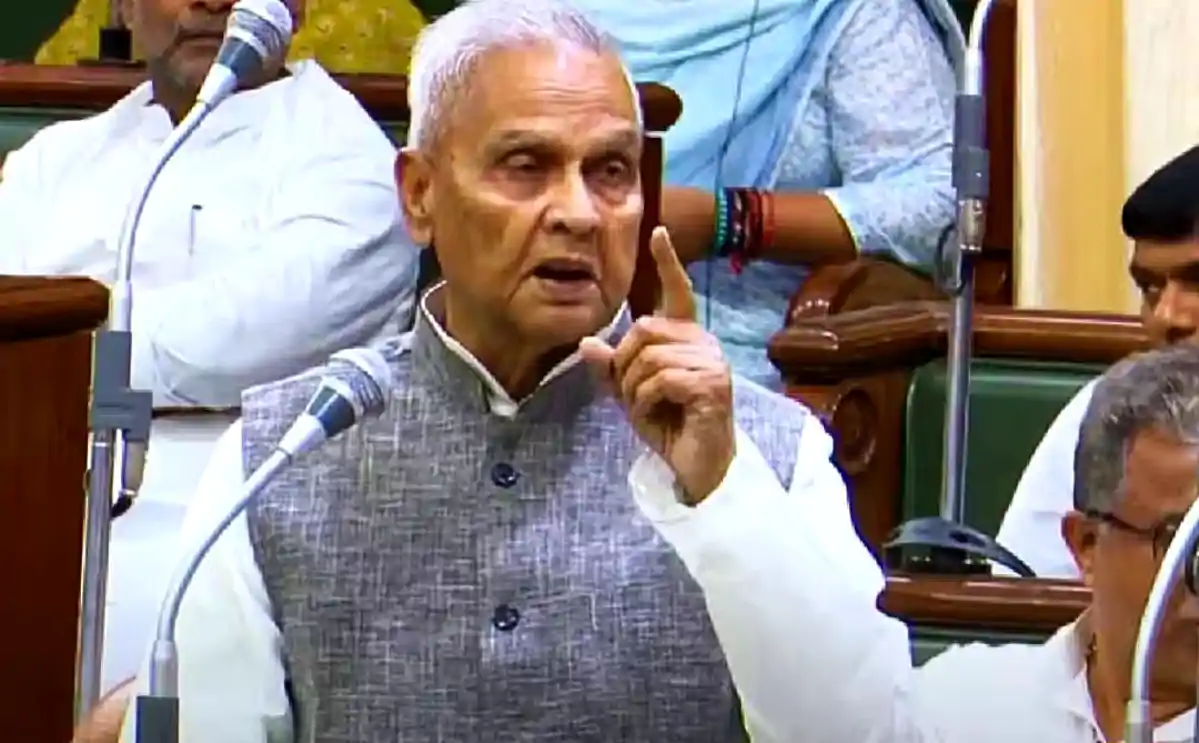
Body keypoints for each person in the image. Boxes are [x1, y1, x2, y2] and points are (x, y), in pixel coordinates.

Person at [109, 1, 874, 740]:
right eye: (526, 166)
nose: (578, 212)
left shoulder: (769, 451)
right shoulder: (280, 453)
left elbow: (862, 731)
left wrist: (724, 495)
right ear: (419, 195)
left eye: (610, 171)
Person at [0, 0, 418, 691]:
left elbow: (222, 343)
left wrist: (47, 353)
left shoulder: (357, 168)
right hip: (34, 506)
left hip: (235, 544)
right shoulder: (53, 160)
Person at [640, 343, 1199, 742]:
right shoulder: (974, 705)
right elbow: (826, 726)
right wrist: (716, 478)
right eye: (1179, 542)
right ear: (1086, 545)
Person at [569, 0, 962, 386]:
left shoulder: (857, 14)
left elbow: (935, 205)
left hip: (752, 363)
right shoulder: (547, 22)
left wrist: (726, 220)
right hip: (554, 340)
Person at [997, 143, 1199, 579]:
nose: (1168, 316)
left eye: (1197, 282)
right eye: (1150, 288)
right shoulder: (1114, 412)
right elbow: (1022, 593)